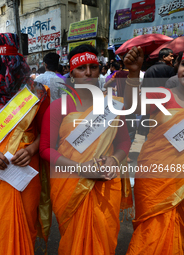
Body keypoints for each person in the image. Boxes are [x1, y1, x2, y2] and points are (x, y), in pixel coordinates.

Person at [39, 44, 132, 255]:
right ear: (71, 73)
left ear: (100, 70)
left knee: (104, 239)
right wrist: (81, 169)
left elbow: (124, 142)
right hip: (71, 181)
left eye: (93, 67)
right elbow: (45, 149)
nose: (88, 73)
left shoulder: (113, 105)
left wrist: (115, 161)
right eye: (81, 68)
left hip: (107, 182)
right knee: (73, 242)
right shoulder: (58, 107)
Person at [0, 33, 50, 255]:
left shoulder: (37, 93)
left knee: (24, 224)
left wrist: (32, 149)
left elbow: (47, 132)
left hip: (25, 171)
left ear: (6, 61)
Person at [124, 44, 184, 254]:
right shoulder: (162, 95)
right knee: (150, 236)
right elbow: (131, 107)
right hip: (153, 180)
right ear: (177, 67)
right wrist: (132, 73)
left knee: (182, 239)